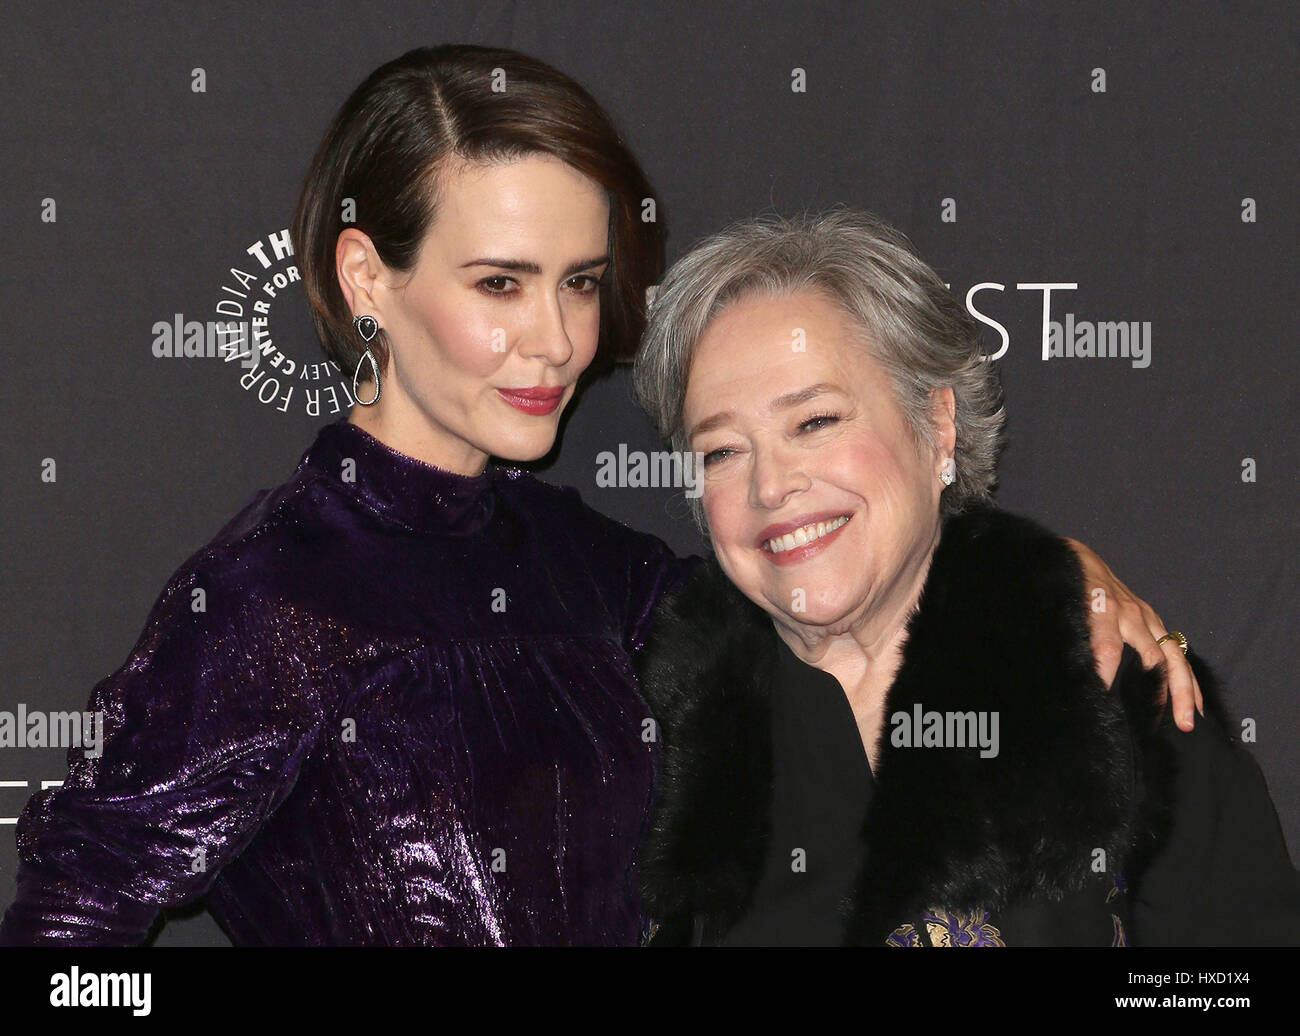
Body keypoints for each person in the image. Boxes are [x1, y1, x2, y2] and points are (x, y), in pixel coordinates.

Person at [0, 47, 1194, 947]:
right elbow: (67, 936)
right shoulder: (271, 599)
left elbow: (836, 592)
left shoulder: (595, 565)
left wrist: (1046, 566)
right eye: (499, 283)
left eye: (579, 280)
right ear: (367, 276)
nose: (558, 341)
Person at [630, 208, 1300, 946]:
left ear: (937, 425)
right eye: (722, 450)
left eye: (815, 421)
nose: (771, 485)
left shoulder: (1109, 680)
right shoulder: (651, 731)